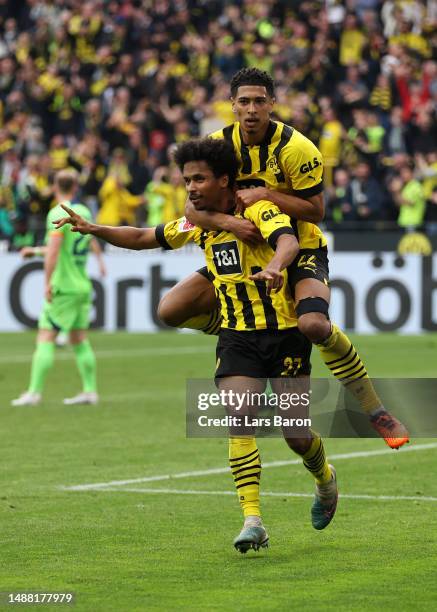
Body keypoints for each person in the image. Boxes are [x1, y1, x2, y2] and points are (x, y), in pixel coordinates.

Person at [53, 138, 338, 553]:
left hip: (283, 329)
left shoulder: (256, 207)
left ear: (224, 179)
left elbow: (289, 242)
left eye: (199, 178)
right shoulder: (199, 221)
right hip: (238, 336)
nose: (190, 187)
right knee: (239, 416)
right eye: (186, 179)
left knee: (296, 435)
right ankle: (252, 519)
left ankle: (325, 478)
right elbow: (142, 236)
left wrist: (276, 266)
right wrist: (95, 229)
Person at [157, 68, 409, 450]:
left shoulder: (297, 148)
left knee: (313, 325)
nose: (252, 109)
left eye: (260, 101)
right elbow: (193, 208)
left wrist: (268, 196)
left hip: (300, 247)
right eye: (244, 102)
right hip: (242, 252)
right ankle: (238, 326)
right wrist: (231, 223)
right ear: (233, 105)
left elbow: (316, 210)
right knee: (171, 309)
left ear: (272, 104)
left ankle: (374, 410)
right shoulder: (217, 146)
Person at [12, 169, 105, 407]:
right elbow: (86, 240)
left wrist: (46, 283)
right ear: (76, 187)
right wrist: (101, 262)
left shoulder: (56, 212)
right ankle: (90, 391)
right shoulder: (83, 211)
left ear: (54, 187)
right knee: (78, 339)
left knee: (45, 337)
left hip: (63, 287)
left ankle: (33, 393)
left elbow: (54, 250)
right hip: (82, 285)